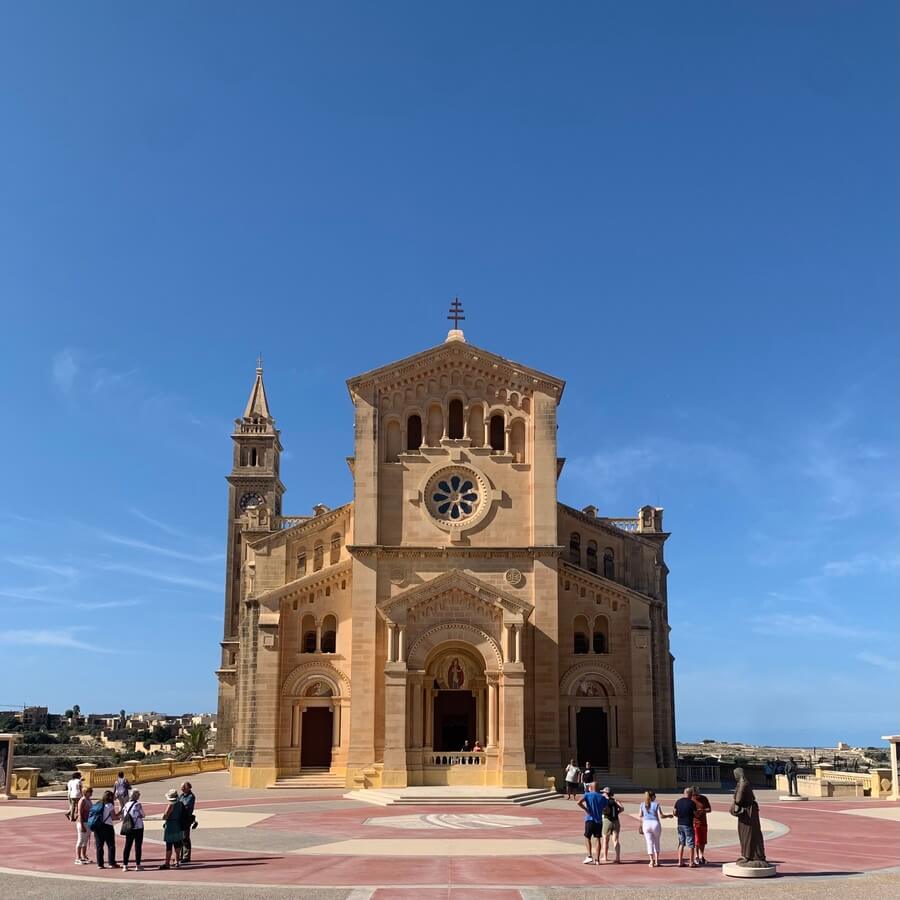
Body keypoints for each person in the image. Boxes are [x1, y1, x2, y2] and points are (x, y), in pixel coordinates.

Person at [731, 767, 768, 865]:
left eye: (735, 774)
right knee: (745, 834)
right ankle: (747, 855)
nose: (734, 776)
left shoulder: (743, 784)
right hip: (747, 812)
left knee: (749, 834)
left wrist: (734, 801)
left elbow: (738, 800)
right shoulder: (742, 783)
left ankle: (750, 856)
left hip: (748, 813)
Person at [577, 782, 609, 864]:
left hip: (589, 819)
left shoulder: (587, 795)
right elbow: (607, 810)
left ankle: (589, 855)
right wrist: (601, 810)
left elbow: (578, 802)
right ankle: (597, 859)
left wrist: (586, 809)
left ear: (590, 787)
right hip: (599, 820)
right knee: (598, 838)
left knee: (587, 837)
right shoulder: (602, 797)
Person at [638, 790, 672, 867]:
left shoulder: (642, 804)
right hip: (655, 823)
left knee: (649, 842)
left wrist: (641, 824)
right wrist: (668, 816)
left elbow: (640, 815)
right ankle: (657, 861)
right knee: (656, 842)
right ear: (652, 797)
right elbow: (661, 816)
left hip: (646, 824)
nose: (655, 797)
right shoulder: (656, 804)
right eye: (655, 796)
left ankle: (651, 861)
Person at [121, 789, 145, 871]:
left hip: (129, 827)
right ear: (135, 796)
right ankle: (138, 865)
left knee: (127, 846)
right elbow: (143, 815)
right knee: (138, 846)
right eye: (138, 794)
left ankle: (125, 865)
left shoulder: (126, 804)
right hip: (138, 827)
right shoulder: (138, 804)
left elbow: (124, 815)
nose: (139, 795)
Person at [160, 788, 184, 869]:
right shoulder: (180, 803)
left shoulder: (170, 805)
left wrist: (164, 817)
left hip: (170, 825)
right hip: (178, 824)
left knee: (169, 845)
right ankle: (177, 860)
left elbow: (165, 816)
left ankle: (167, 863)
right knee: (177, 844)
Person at [673, 787, 698, 867]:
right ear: (691, 794)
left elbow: (674, 812)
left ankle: (680, 861)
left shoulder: (678, 801)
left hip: (680, 824)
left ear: (684, 793)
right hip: (688, 824)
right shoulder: (692, 803)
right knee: (691, 844)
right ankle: (691, 862)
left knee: (681, 843)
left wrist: (679, 815)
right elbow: (695, 814)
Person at [94, 789, 118, 869]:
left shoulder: (98, 803)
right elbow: (113, 817)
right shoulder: (110, 805)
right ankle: (111, 863)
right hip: (107, 826)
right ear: (110, 797)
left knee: (99, 846)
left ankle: (100, 864)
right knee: (111, 845)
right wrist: (120, 815)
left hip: (98, 826)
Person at [599, 787, 624, 863]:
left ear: (606, 793)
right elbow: (622, 808)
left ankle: (605, 857)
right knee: (616, 840)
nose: (602, 793)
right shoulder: (615, 800)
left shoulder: (604, 801)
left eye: (603, 792)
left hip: (607, 820)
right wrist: (617, 813)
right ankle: (618, 858)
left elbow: (603, 809)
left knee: (605, 839)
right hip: (616, 821)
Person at [691, 785, 712, 865]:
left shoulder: (704, 798)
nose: (696, 796)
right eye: (695, 795)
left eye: (697, 794)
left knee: (703, 841)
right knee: (697, 841)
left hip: (703, 822)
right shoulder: (691, 799)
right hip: (695, 823)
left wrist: (703, 811)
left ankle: (701, 856)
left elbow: (709, 809)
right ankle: (696, 856)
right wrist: (695, 813)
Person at [178, 781, 196, 864]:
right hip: (180, 818)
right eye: (181, 787)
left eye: (183, 787)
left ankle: (186, 856)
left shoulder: (191, 796)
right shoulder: (181, 795)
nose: (182, 788)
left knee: (185, 838)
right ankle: (180, 855)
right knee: (180, 838)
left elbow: (186, 806)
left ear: (188, 788)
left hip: (186, 819)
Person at [74, 786, 93, 865]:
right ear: (85, 792)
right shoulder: (82, 800)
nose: (91, 793)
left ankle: (84, 856)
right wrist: (82, 825)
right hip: (82, 822)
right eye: (90, 791)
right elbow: (80, 814)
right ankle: (78, 858)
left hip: (88, 822)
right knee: (81, 840)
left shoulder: (89, 800)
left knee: (85, 840)